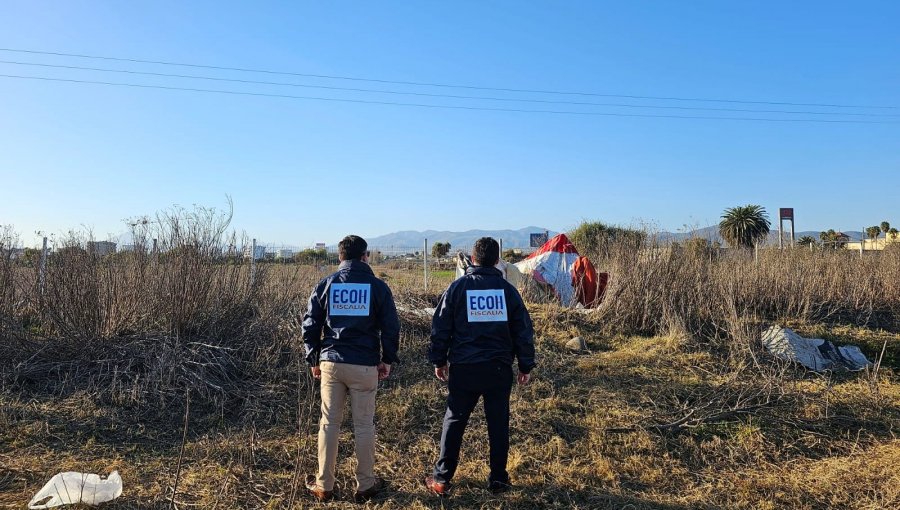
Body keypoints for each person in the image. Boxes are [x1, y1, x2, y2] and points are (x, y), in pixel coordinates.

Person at [425, 236, 536, 497]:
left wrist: (439, 360)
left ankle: (442, 479)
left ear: (473, 260)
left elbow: (440, 328)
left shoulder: (457, 287)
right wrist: (525, 365)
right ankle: (498, 480)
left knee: (454, 421)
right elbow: (523, 331)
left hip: (464, 368)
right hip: (498, 369)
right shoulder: (508, 291)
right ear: (497, 261)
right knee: (498, 424)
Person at [302, 235, 401, 503]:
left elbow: (310, 324)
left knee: (329, 423)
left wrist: (313, 359)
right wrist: (387, 359)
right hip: (365, 365)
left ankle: (324, 485)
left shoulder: (326, 284)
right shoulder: (378, 287)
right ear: (365, 256)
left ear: (339, 257)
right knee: (364, 426)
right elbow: (391, 327)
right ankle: (366, 485)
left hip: (331, 363)